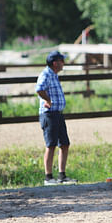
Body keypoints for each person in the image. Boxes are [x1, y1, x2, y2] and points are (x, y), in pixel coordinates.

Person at [35, 50, 76, 185]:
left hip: (57, 113)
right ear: (55, 63)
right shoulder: (46, 74)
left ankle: (62, 175)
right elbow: (39, 89)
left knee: (64, 144)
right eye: (61, 61)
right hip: (49, 114)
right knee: (51, 145)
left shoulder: (54, 75)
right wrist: (48, 100)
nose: (63, 63)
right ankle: (48, 177)